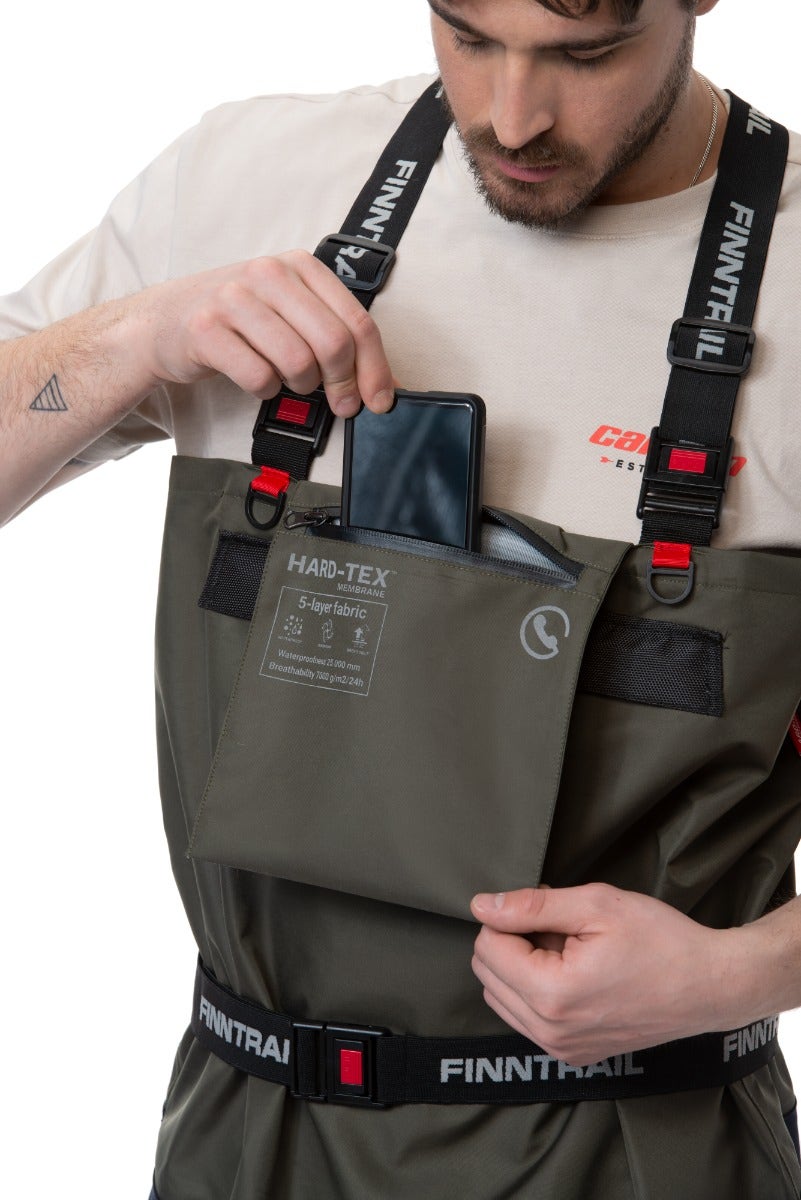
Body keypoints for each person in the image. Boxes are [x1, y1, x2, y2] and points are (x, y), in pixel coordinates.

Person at [2, 1, 801, 1196]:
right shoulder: (246, 176)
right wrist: (140, 336)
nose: (512, 116)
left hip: (638, 1144)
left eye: (585, 55)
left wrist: (744, 976)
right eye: (467, 33)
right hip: (243, 1132)